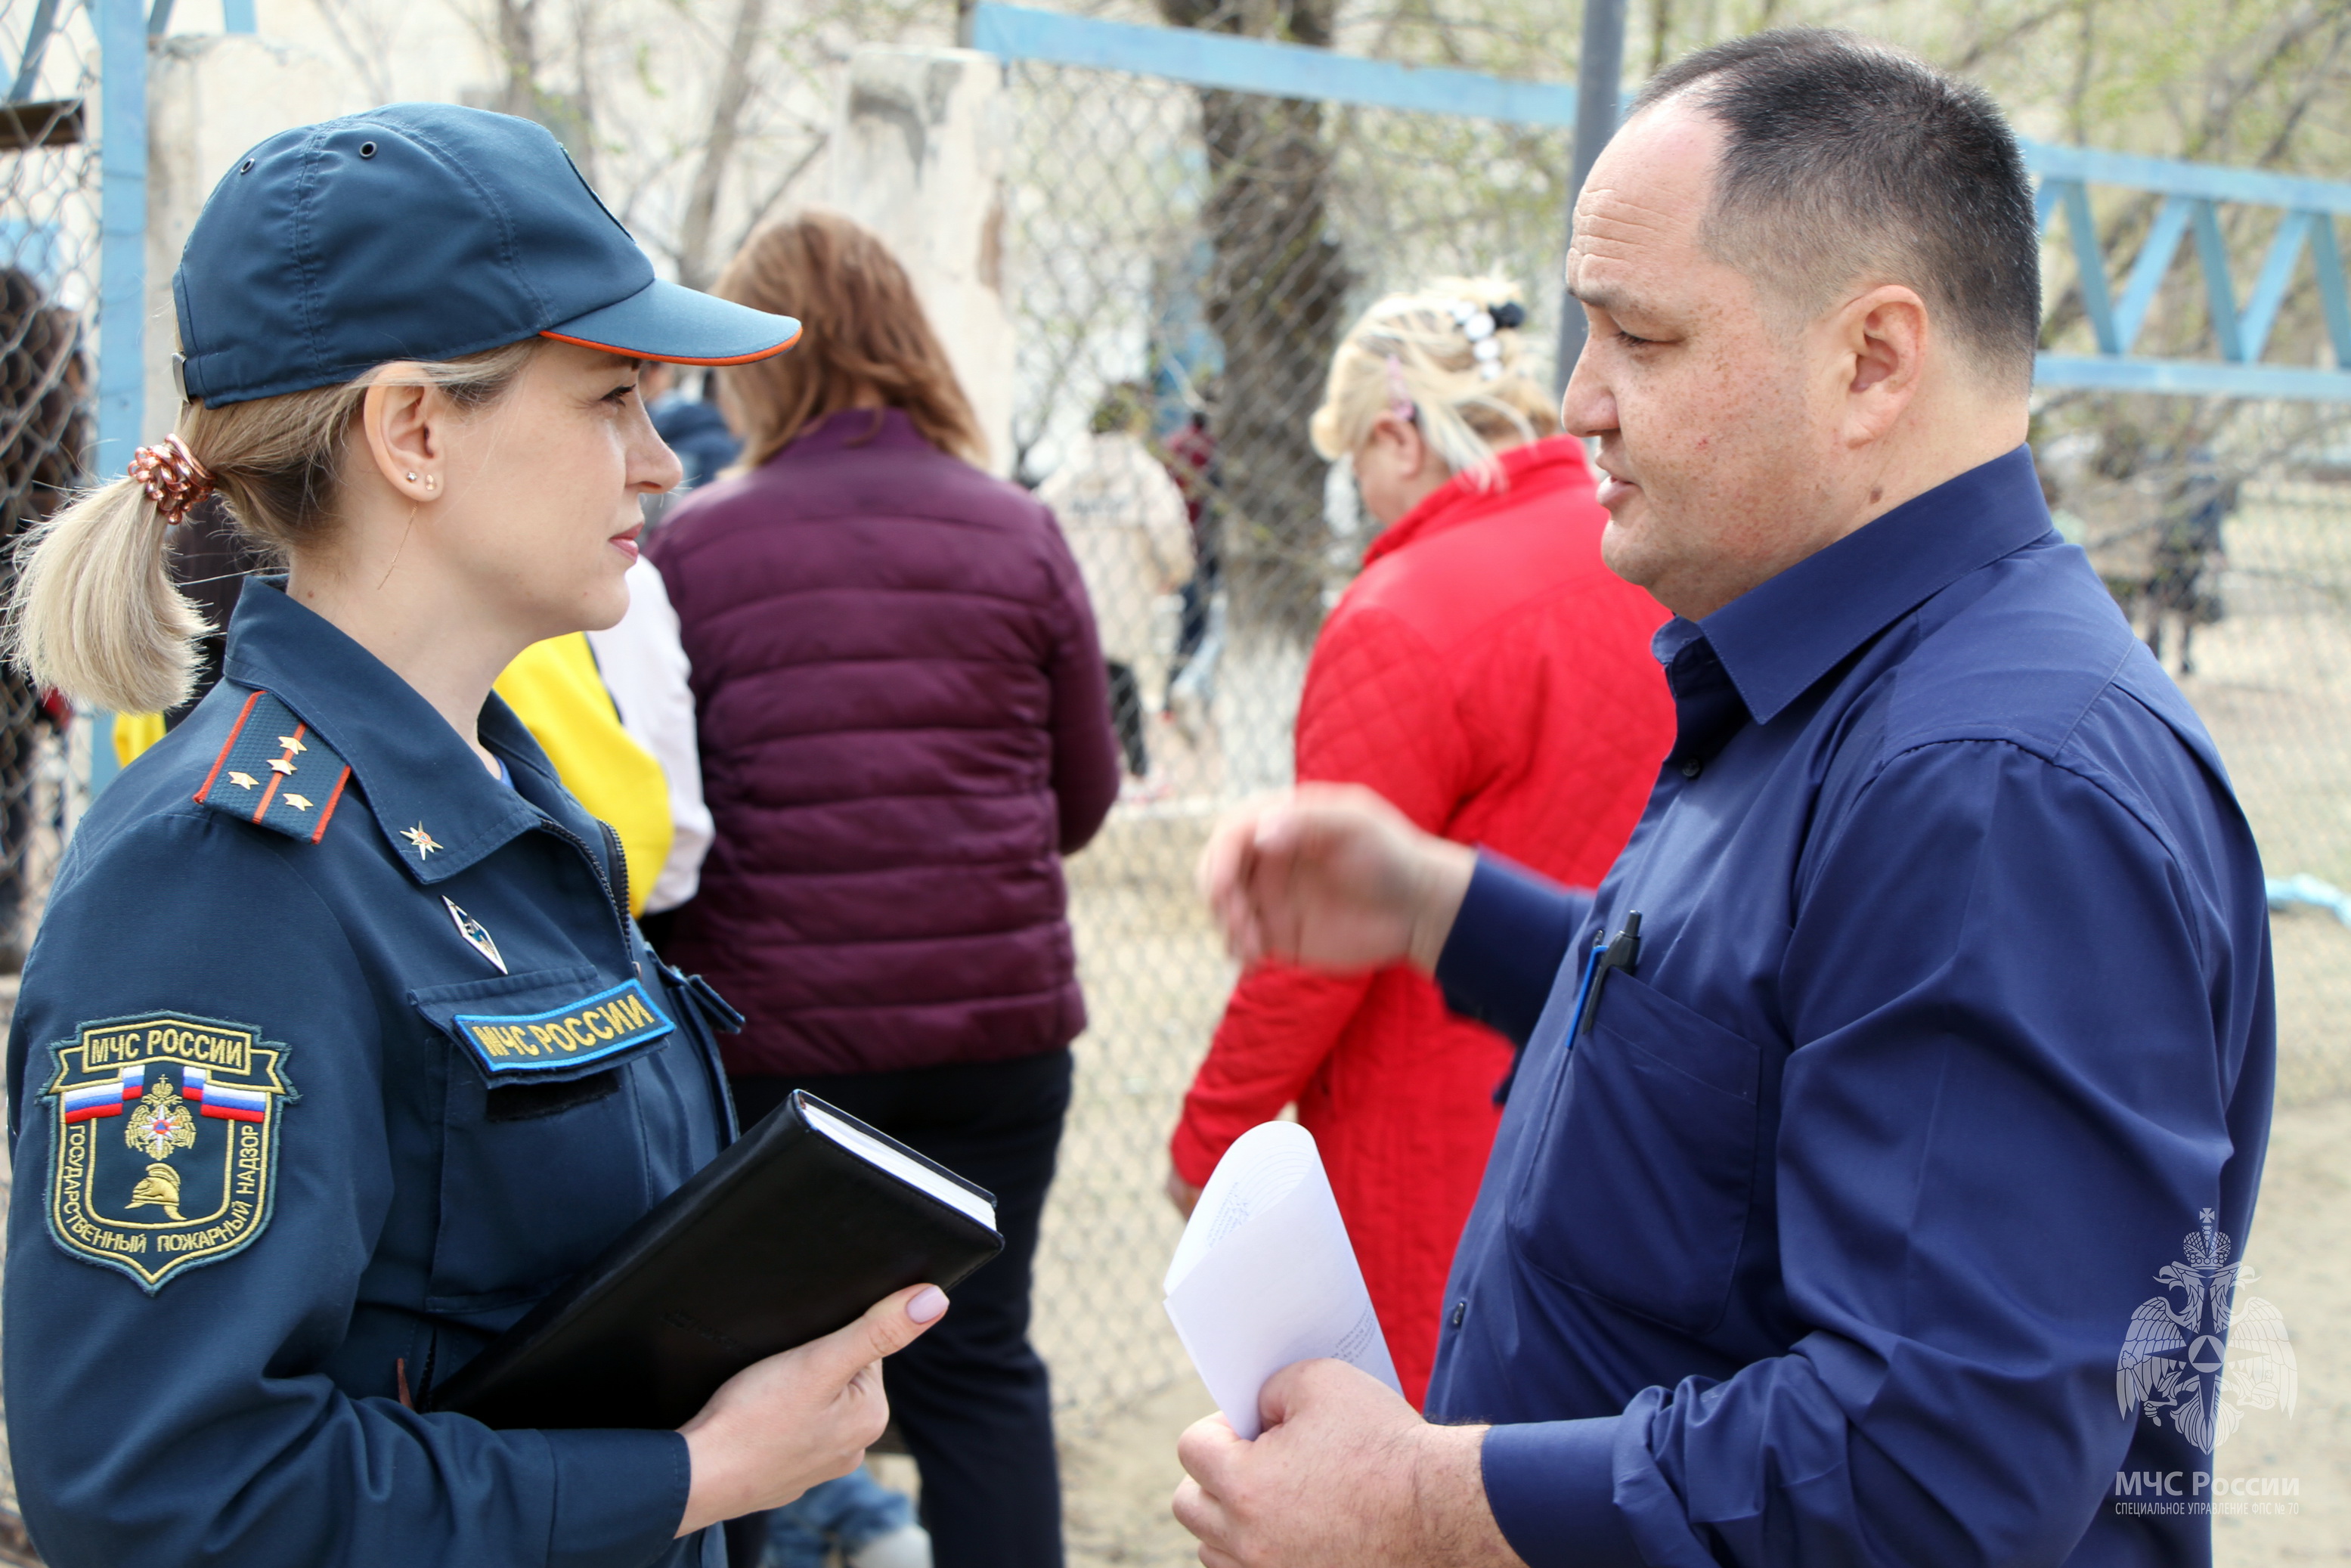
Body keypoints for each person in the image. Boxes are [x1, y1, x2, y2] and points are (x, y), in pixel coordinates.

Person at [1175, 32, 2272, 1568]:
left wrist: (1418, 1502)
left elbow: (1935, 1470)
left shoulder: (1989, 783)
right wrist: (1438, 904)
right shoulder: (1846, 677)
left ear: (1873, 361)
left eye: (1642, 337)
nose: (1578, 402)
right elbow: (1753, 1041)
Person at [2, 104, 951, 1568]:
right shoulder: (219, 884)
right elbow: (171, 1496)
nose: (661, 462)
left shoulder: (496, 800)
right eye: (609, 399)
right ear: (416, 430)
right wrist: (691, 1471)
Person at [649, 209, 1120, 1568]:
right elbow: (1080, 802)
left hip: (780, 1053)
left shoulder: (696, 549)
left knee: (748, 1376)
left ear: (764, 361)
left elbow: (676, 824)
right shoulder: (1021, 531)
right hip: (997, 1035)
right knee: (979, 1365)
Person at [1165, 277, 1674, 1405]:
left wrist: (1211, 1137)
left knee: (1413, 1443)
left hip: (1436, 1116)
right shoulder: (1662, 558)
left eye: (1353, 457)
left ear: (1397, 436)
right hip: (1636, 1088)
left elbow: (1314, 928)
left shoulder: (1404, 613)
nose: (1359, 489)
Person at [1036, 383, 1194, 788]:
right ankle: (1137, 767)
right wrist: (1174, 573)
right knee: (1121, 676)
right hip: (1124, 593)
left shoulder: (1070, 468)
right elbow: (1169, 528)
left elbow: (1037, 518)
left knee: (1083, 683)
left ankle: (1094, 766)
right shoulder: (1142, 473)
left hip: (1070, 593)